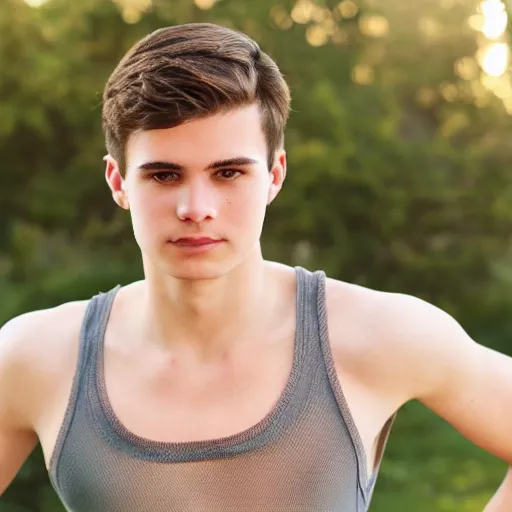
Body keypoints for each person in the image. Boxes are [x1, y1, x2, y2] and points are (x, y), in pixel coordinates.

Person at [0, 22, 510, 512]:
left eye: (228, 173)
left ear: (274, 174)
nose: (196, 207)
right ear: (118, 182)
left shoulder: (379, 336)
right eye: (163, 174)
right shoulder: (38, 359)